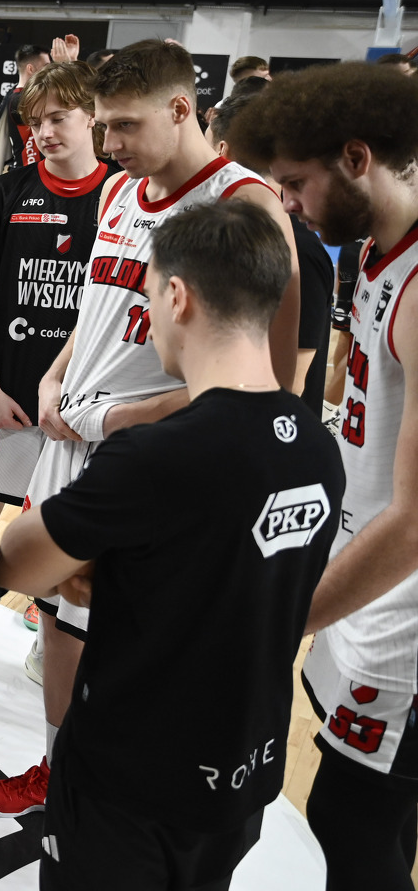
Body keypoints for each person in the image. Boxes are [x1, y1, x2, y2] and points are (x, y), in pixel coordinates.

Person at [0, 38, 300, 819]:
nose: (108, 143)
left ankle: (116, 789)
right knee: (59, 620)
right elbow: (98, 308)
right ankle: (58, 771)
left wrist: (138, 417)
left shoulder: (245, 203)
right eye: (103, 125)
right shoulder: (120, 190)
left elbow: (269, 376)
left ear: (181, 109)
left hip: (152, 454)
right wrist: (54, 375)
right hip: (74, 434)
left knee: (127, 633)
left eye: (122, 125)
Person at [0, 200, 343, 891]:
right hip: (242, 778)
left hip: (128, 782)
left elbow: (16, 562)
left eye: (148, 295)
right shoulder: (317, 447)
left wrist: (89, 567)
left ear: (176, 296)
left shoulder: (156, 458)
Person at [229, 62, 418, 891]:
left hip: (403, 612)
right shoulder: (372, 251)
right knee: (366, 816)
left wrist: (285, 617)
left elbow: (415, 521)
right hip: (367, 581)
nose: (286, 202)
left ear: (355, 158)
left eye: (295, 182)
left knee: (354, 822)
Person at [0, 60, 109, 679]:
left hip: (81, 412)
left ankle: (51, 639)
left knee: (70, 536)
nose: (44, 132)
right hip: (6, 399)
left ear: (92, 117)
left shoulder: (122, 199)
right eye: (36, 122)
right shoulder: (2, 195)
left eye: (58, 118)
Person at [205, 87, 333, 417]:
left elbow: (291, 382)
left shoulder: (297, 246)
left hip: (265, 433)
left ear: (221, 150)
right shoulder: (234, 231)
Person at [4, 43, 51, 170]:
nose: (50, 71)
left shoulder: (14, 95)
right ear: (30, 69)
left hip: (29, 170)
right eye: (46, 66)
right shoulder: (20, 99)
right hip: (28, 170)